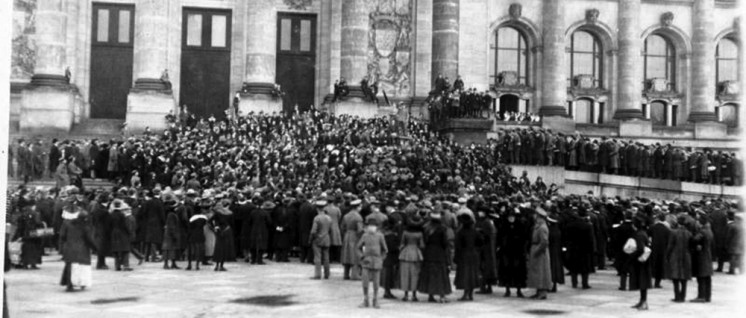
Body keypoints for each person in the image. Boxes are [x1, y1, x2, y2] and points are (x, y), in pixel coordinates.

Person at [59, 203, 97, 292]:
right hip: (82, 249)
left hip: (69, 248)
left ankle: (69, 284)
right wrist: (95, 248)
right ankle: (81, 283)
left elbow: (62, 236)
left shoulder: (67, 223)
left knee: (70, 267)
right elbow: (89, 239)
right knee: (82, 268)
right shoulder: (85, 227)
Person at [418, 210, 452, 303]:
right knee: (441, 275)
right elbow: (445, 243)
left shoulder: (426, 227)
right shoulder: (442, 228)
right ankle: (442, 295)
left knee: (429, 274)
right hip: (439, 253)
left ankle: (431, 295)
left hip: (428, 253)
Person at [356, 218, 388, 308]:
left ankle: (375, 299)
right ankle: (366, 299)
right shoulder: (365, 236)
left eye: (373, 226)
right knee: (365, 282)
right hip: (366, 261)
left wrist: (381, 259)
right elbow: (358, 247)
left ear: (376, 227)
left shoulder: (380, 236)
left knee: (376, 282)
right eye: (369, 226)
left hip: (377, 261)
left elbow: (385, 250)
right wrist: (362, 257)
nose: (371, 228)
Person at [498, 208, 527, 298]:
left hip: (517, 252)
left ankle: (519, 290)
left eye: (512, 216)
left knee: (518, 271)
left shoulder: (520, 225)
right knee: (507, 271)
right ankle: (507, 290)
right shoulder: (504, 225)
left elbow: (524, 238)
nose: (511, 218)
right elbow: (500, 237)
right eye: (509, 216)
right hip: (507, 252)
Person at [454, 214, 482, 301]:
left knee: (465, 274)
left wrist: (456, 257)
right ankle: (470, 294)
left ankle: (466, 293)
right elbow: (481, 242)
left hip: (464, 255)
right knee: (473, 274)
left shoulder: (460, 233)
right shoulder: (475, 231)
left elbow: (458, 246)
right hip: (474, 254)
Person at [565, 207, 594, 289]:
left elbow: (566, 237)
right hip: (584, 249)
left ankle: (574, 283)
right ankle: (585, 283)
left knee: (574, 267)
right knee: (585, 268)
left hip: (573, 248)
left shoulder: (570, 225)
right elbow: (590, 239)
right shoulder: (588, 226)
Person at [526, 208, 552, 300]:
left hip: (540, 253)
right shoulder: (539, 226)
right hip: (537, 251)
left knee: (541, 273)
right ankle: (539, 290)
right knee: (537, 272)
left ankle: (542, 292)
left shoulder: (542, 227)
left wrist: (537, 251)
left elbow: (544, 242)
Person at [666, 215, 692, 303]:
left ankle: (677, 296)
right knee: (684, 278)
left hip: (675, 256)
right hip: (686, 256)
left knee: (675, 277)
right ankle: (683, 296)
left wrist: (667, 255)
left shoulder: (673, 232)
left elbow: (670, 246)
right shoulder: (689, 233)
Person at [399, 212, 424, 302]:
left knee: (405, 275)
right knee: (415, 275)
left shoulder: (405, 232)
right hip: (416, 254)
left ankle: (405, 294)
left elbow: (402, 243)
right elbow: (422, 245)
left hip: (405, 253)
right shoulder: (420, 234)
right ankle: (414, 295)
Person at [629, 216, 652, 310]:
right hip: (645, 260)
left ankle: (644, 302)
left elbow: (640, 248)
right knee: (643, 282)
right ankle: (642, 301)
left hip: (641, 261)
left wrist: (632, 257)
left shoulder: (638, 235)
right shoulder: (643, 233)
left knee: (642, 282)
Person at [691, 213, 713, 302]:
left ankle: (701, 296)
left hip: (701, 256)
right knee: (707, 278)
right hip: (707, 255)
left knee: (701, 277)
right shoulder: (709, 230)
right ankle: (707, 296)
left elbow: (694, 239)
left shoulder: (702, 231)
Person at [309, 199, 333, 279]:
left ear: (317, 209)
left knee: (317, 258)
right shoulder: (329, 218)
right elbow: (330, 230)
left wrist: (311, 239)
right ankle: (327, 274)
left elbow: (313, 231)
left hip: (318, 240)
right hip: (326, 239)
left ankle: (318, 274)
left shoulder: (317, 218)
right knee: (326, 258)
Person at [341, 199, 364, 280]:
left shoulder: (346, 216)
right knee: (355, 255)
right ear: (357, 207)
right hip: (355, 236)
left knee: (346, 254)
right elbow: (360, 230)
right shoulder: (358, 217)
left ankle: (346, 274)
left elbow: (342, 227)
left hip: (347, 235)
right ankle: (355, 274)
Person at [109, 199, 134, 271]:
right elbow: (125, 225)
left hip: (114, 233)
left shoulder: (111, 215)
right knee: (125, 249)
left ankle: (117, 266)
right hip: (122, 233)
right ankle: (126, 265)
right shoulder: (122, 215)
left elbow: (109, 225)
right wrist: (129, 232)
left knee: (116, 250)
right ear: (120, 205)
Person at [247, 200, 274, 265]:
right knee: (262, 245)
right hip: (263, 230)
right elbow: (269, 222)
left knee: (253, 245)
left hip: (254, 230)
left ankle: (253, 259)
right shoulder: (265, 213)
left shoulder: (252, 212)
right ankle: (259, 260)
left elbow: (249, 222)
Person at [649, 213, 671, 288]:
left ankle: (649, 282)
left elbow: (648, 235)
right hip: (662, 250)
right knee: (660, 266)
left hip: (653, 248)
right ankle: (657, 283)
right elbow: (668, 241)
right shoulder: (666, 229)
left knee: (652, 265)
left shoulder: (653, 227)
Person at [381, 218, 401, 300]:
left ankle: (387, 291)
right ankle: (387, 292)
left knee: (386, 276)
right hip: (391, 258)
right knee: (389, 276)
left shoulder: (382, 235)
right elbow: (394, 248)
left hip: (384, 257)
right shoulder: (393, 236)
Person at [161, 194, 182, 269]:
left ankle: (172, 263)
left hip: (168, 233)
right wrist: (174, 235)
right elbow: (172, 226)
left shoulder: (170, 214)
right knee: (169, 249)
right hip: (170, 234)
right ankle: (167, 264)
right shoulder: (172, 215)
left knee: (171, 249)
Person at [547, 211, 564, 292]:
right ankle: (554, 285)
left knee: (551, 268)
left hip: (550, 251)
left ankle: (550, 285)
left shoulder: (550, 231)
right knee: (556, 268)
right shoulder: (557, 230)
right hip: (557, 251)